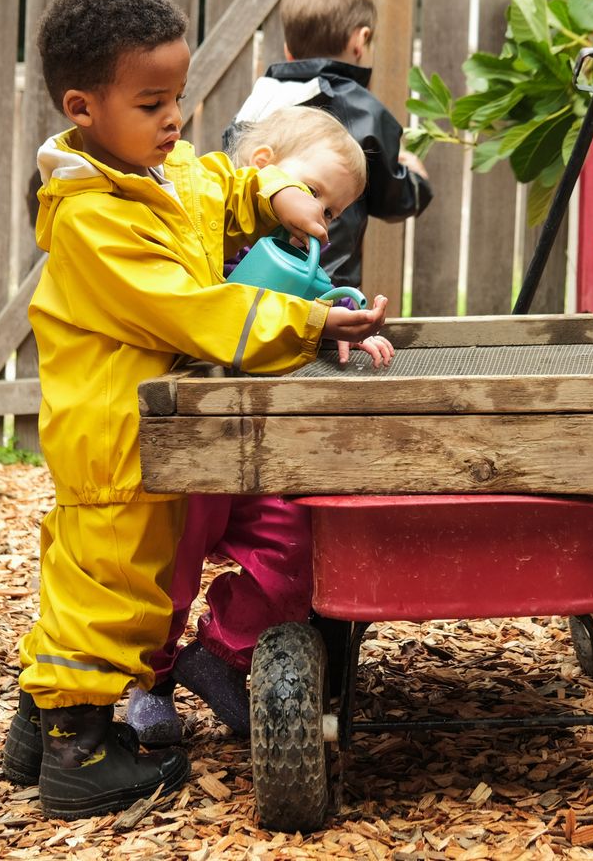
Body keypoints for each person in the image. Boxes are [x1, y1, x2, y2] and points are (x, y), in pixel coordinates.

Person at [0, 0, 391, 820]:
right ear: (83, 108)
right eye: (152, 103)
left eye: (179, 97)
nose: (174, 118)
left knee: (89, 573)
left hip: (145, 421)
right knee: (116, 586)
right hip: (115, 428)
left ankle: (37, 725)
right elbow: (196, 309)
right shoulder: (94, 220)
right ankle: (77, 752)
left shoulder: (157, 169)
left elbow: (214, 181)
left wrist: (271, 189)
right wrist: (311, 321)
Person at [124, 116, 396, 749]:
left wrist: (351, 325)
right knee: (166, 572)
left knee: (297, 545)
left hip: (258, 459)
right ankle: (147, 684)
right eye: (316, 195)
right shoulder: (201, 238)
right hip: (192, 455)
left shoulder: (297, 258)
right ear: (268, 168)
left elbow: (324, 306)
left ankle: (221, 653)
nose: (322, 217)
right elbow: (192, 311)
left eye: (335, 210)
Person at [224, 0, 433, 292]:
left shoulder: (259, 99)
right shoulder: (359, 108)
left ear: (288, 49)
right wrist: (416, 182)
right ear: (360, 40)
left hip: (247, 270)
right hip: (323, 278)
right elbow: (392, 197)